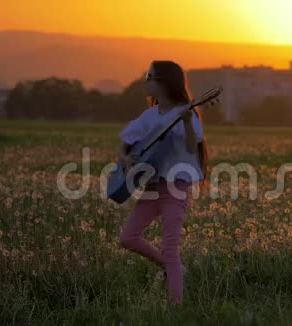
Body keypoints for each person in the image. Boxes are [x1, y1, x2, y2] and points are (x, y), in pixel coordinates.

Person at [117, 60, 207, 305]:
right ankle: (169, 267)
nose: (145, 81)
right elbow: (126, 140)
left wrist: (188, 122)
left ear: (164, 83)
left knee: (170, 248)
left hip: (176, 187)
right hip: (152, 186)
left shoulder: (184, 113)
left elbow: (192, 146)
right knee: (127, 238)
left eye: (150, 77)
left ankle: (175, 309)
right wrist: (125, 159)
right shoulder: (149, 116)